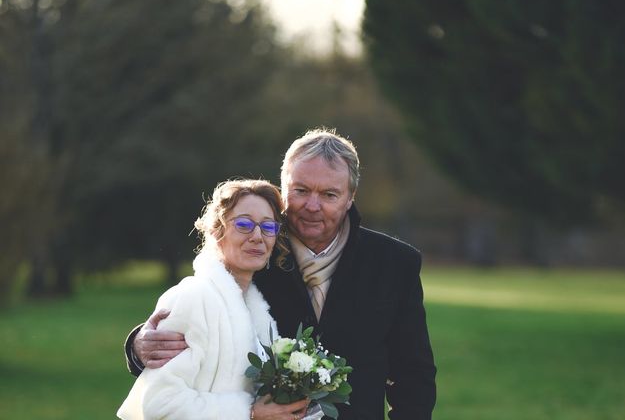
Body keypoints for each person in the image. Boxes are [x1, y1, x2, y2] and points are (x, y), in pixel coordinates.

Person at [125, 129, 437, 419]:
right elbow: (204, 306)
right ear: (282, 186)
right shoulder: (253, 250)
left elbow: (413, 374)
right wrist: (138, 345)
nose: (312, 206)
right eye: (301, 190)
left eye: (329, 195)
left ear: (350, 197)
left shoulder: (395, 264)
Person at [117, 179, 309, 420]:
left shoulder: (256, 309)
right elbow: (159, 403)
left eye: (268, 227)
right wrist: (248, 413)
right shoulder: (194, 298)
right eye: (243, 224)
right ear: (217, 231)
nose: (258, 236)